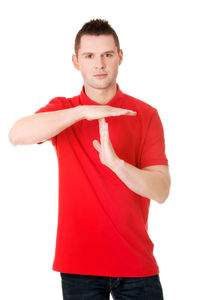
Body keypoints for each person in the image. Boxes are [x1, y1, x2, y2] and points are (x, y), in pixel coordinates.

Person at [8, 19, 171, 300]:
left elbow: (162, 191)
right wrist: (81, 112)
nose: (99, 64)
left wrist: (117, 165)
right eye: (89, 56)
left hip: (136, 265)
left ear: (120, 57)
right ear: (76, 61)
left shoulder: (145, 114)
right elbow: (16, 134)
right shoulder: (63, 110)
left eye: (107, 54)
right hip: (79, 266)